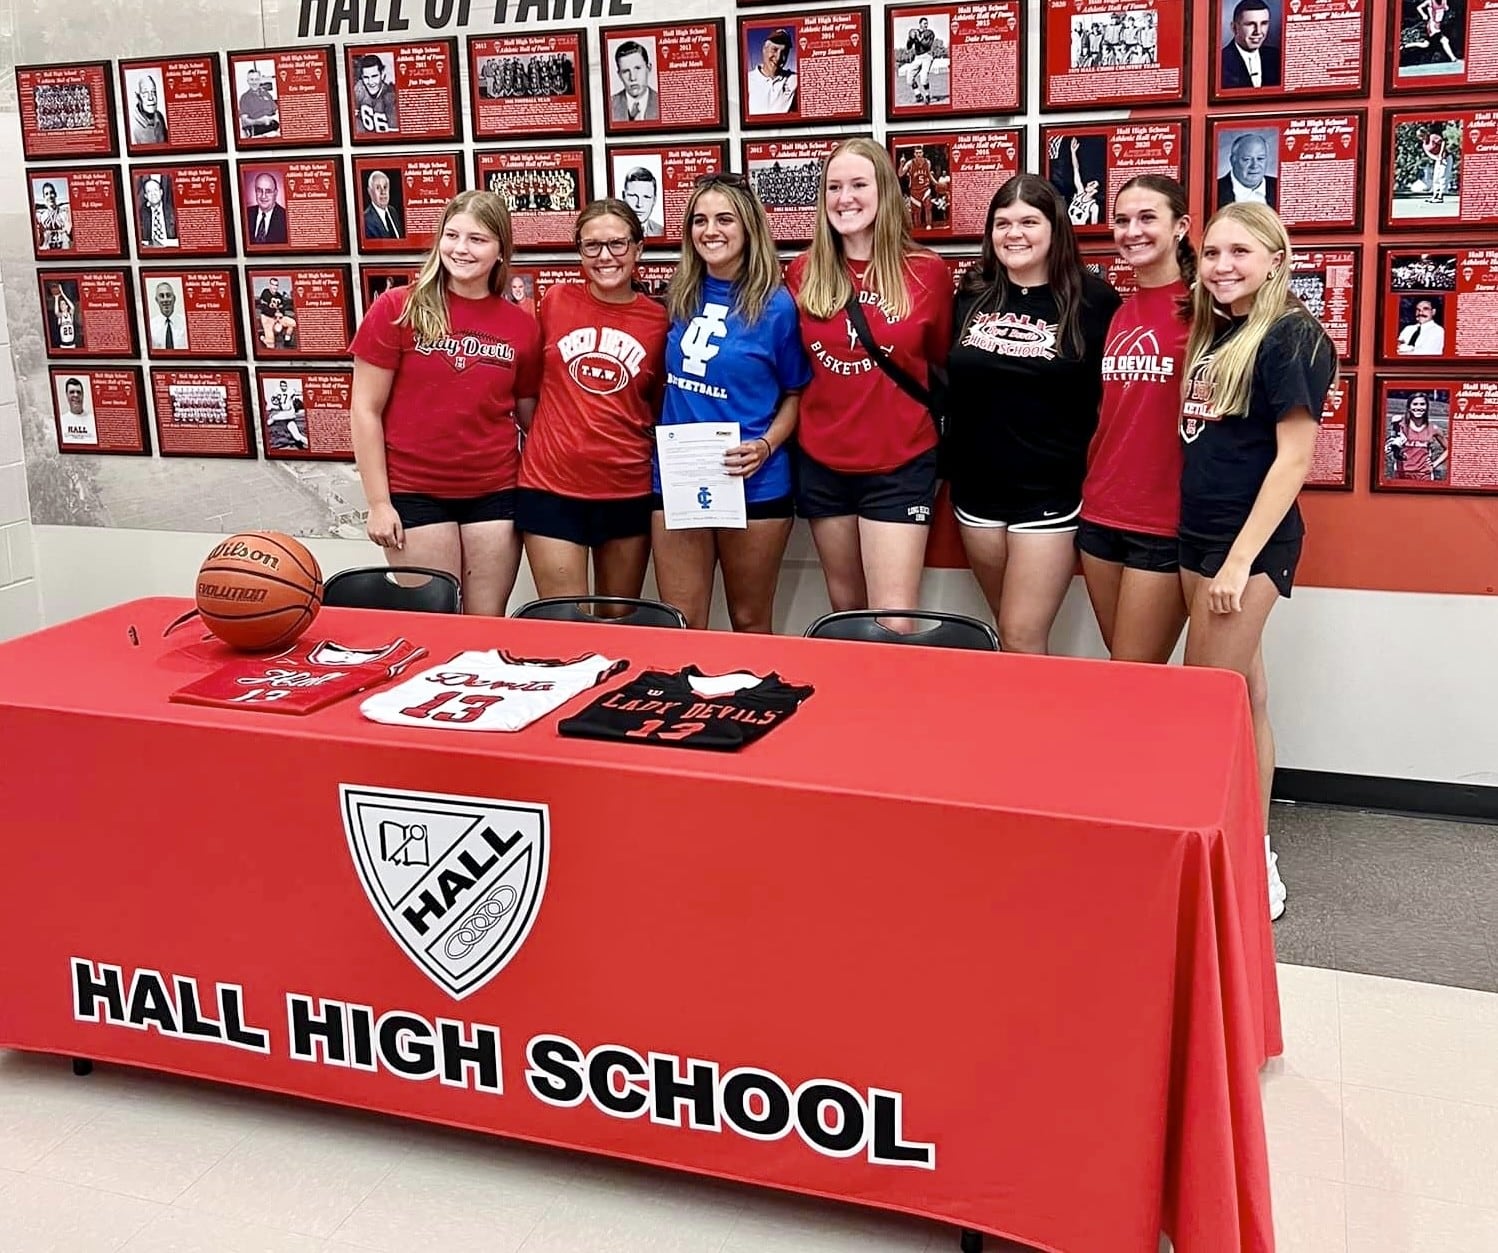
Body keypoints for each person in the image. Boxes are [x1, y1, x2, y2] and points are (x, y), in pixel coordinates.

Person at [1179, 203, 1337, 921]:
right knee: (1245, 698)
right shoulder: (1222, 330)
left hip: (1244, 549)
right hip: (1201, 536)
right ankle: (1249, 843)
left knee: (1204, 702)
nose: (1221, 266)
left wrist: (1239, 562)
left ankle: (1239, 857)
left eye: (1239, 252)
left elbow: (1295, 458)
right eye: (1211, 253)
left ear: (1276, 257)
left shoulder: (1292, 336)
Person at [943, 174, 1121, 653]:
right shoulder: (972, 293)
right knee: (1007, 630)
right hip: (975, 496)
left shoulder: (1094, 301)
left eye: (1028, 221)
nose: (1014, 233)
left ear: (1055, 228)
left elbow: (1117, 396)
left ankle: (1032, 729)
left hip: (1050, 494)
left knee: (1022, 636)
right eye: (1002, 223)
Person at [350, 190, 542, 616]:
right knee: (435, 622)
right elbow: (365, 410)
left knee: (485, 623)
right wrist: (379, 504)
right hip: (414, 492)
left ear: (500, 250)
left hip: (495, 492)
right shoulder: (398, 308)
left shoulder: (521, 325)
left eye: (477, 239)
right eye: (452, 235)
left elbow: (532, 417)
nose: (461, 248)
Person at [787, 137, 952, 619]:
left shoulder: (926, 272)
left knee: (895, 619)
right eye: (834, 187)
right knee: (846, 612)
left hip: (899, 461)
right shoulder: (802, 272)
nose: (846, 198)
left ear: (884, 191)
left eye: (859, 184)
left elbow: (938, 357)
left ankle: (900, 698)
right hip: (823, 462)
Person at [652, 173, 811, 631]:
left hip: (753, 480)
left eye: (724, 219)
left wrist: (765, 446)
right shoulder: (678, 295)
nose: (710, 230)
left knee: (750, 620)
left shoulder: (777, 305)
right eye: (699, 220)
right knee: (682, 622)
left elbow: (796, 394)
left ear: (748, 228)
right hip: (679, 476)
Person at [517, 198, 669, 606]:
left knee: (618, 620)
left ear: (639, 248)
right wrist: (560, 439)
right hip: (550, 487)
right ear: (579, 251)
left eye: (617, 244)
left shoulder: (658, 321)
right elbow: (528, 389)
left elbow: (654, 408)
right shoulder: (554, 301)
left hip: (626, 488)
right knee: (564, 623)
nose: (605, 257)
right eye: (592, 246)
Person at [1079, 176, 1194, 664]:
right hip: (1100, 511)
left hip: (1164, 520)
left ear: (1180, 227)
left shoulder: (1206, 310)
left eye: (1147, 218)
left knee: (1134, 671)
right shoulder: (1119, 311)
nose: (1132, 231)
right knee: (1124, 669)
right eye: (1122, 220)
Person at [1386, 392, 1448, 480]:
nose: (1418, 407)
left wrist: (1435, 464)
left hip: (1423, 474)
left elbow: (1449, 449)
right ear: (1409, 407)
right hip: (1401, 473)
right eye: (1415, 404)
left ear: (1427, 407)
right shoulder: (1400, 426)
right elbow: (1389, 445)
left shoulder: (1433, 428)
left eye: (1422, 404)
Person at [1220, 0, 1281, 89]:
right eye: (1250, 24)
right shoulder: (1221, 61)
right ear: (1234, 28)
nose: (1258, 31)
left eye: (1264, 23)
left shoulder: (1276, 56)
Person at [1217, 132, 1278, 209]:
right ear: (1233, 161)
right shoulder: (1215, 190)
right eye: (1247, 159)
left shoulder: (1280, 186)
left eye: (1260, 159)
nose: (1254, 166)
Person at [747, 28, 797, 114]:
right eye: (774, 49)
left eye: (784, 52)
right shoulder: (746, 80)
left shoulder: (794, 79)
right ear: (764, 50)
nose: (778, 58)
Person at [609, 41, 659, 122]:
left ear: (649, 68)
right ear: (619, 75)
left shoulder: (664, 103)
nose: (632, 77)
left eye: (638, 68)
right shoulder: (609, 105)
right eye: (625, 71)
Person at [352, 55, 399, 134]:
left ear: (382, 74)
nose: (371, 82)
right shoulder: (359, 89)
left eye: (374, 76)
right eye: (366, 77)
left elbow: (394, 135)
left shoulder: (390, 96)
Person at [1066, 137, 1101, 227]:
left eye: (1092, 184)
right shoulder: (1080, 192)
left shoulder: (1093, 206)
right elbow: (1076, 170)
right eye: (1090, 182)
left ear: (1095, 190)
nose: (1089, 184)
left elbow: (1094, 228)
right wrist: (1073, 152)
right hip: (1066, 229)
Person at [237, 65, 280, 138]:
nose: (254, 82)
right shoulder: (244, 98)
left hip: (274, 130)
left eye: (256, 79)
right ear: (248, 81)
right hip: (258, 133)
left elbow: (276, 111)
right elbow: (244, 122)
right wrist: (261, 121)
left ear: (260, 80)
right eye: (252, 79)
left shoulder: (266, 94)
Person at [264, 380, 308, 450]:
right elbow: (275, 401)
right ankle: (305, 444)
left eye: (284, 386)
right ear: (280, 386)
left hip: (289, 414)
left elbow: (297, 393)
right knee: (297, 436)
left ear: (286, 386)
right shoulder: (277, 391)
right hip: (286, 415)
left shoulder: (290, 391)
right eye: (282, 386)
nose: (283, 387)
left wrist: (305, 392)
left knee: (272, 418)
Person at [620, 165, 663, 237]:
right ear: (623, 196)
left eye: (646, 197)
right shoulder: (611, 231)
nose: (639, 204)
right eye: (633, 196)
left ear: (654, 200)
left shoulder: (661, 231)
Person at [246, 173, 288, 245]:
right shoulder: (246, 214)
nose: (263, 196)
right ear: (255, 192)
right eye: (259, 190)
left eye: (268, 191)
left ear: (275, 193)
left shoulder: (286, 218)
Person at [256, 278, 297, 350]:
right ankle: (263, 338)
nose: (275, 287)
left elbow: (282, 308)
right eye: (273, 285)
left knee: (292, 323)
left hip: (277, 317)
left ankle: (287, 340)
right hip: (267, 318)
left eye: (276, 285)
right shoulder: (265, 292)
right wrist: (275, 313)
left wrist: (281, 314)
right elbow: (264, 308)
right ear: (270, 285)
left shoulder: (279, 296)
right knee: (271, 345)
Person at [904, 17, 938, 104]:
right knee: (909, 78)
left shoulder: (930, 33)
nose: (926, 25)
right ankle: (918, 95)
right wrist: (910, 39)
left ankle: (927, 96)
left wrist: (919, 38)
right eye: (924, 23)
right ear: (920, 24)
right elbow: (908, 47)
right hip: (917, 57)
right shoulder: (915, 32)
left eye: (927, 23)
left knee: (923, 78)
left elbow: (927, 45)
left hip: (927, 56)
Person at [138, 174, 177, 247]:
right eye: (149, 191)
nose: (153, 194)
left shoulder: (173, 212)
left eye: (155, 190)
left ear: (161, 192)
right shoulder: (140, 215)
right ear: (146, 196)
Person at [130, 73, 168, 145]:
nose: (151, 98)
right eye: (145, 93)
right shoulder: (132, 125)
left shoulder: (159, 116)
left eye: (153, 92)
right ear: (138, 97)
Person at [364, 170, 403, 239]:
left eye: (385, 187)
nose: (383, 192)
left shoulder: (393, 211)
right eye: (378, 188)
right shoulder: (366, 219)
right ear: (370, 191)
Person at [149, 281, 186, 351]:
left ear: (174, 299)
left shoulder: (186, 323)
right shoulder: (150, 326)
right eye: (161, 296)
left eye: (168, 295)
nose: (165, 299)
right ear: (157, 300)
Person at [35, 181, 72, 251]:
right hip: (47, 250)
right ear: (44, 197)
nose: (49, 196)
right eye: (46, 194)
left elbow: (71, 235)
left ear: (55, 194)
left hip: (64, 249)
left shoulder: (64, 214)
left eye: (51, 193)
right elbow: (40, 241)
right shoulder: (41, 216)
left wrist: (69, 230)